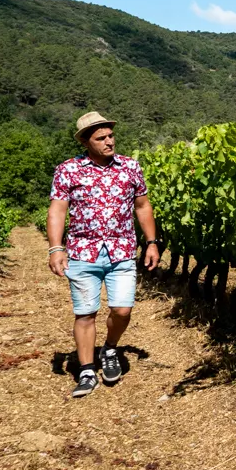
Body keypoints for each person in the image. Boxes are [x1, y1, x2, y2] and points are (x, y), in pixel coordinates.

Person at [46, 112, 160, 398]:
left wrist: (152, 242)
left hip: (122, 252)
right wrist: (56, 248)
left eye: (111, 135)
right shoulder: (68, 170)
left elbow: (143, 206)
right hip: (83, 253)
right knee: (85, 313)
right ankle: (86, 370)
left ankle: (109, 347)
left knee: (122, 310)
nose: (109, 141)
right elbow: (58, 210)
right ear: (86, 142)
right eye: (101, 138)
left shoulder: (130, 167)